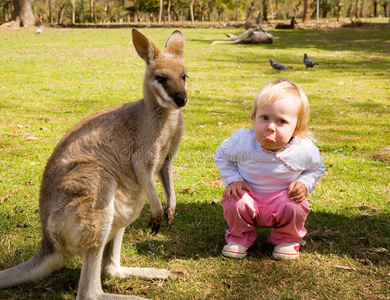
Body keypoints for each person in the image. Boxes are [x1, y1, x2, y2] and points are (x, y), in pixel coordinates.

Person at [214, 78, 325, 259]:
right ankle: (239, 237)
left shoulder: (303, 149)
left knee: (295, 206)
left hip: (283, 199)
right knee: (235, 202)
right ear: (254, 117)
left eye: (281, 121)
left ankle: (287, 239)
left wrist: (304, 183)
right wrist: (234, 179)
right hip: (248, 197)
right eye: (264, 118)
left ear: (296, 127)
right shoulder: (242, 141)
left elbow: (317, 168)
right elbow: (221, 156)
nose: (270, 127)